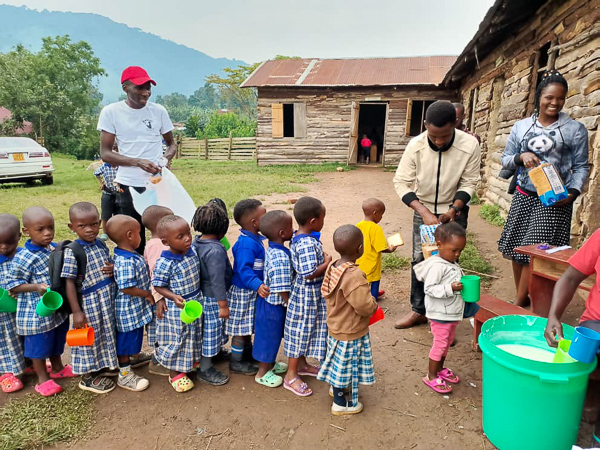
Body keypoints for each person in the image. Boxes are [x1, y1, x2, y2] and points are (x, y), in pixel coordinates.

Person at [497, 70, 589, 307]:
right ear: (539, 96)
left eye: (560, 98)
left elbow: (581, 167)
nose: (555, 103)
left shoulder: (574, 129)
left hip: (554, 200)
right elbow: (506, 159)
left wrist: (573, 193)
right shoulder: (521, 127)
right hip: (524, 193)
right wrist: (521, 156)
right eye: (549, 97)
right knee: (518, 247)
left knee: (535, 248)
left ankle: (518, 302)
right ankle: (524, 295)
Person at [393, 100, 481, 329]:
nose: (439, 141)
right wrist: (423, 212)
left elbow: (470, 181)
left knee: (450, 262)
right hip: (423, 211)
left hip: (455, 210)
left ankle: (444, 319)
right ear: (425, 126)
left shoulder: (470, 144)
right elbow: (401, 182)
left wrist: (454, 209)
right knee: (420, 260)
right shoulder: (416, 145)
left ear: (456, 124)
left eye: (445, 135)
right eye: (434, 136)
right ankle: (419, 311)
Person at [97, 66, 177, 254]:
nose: (146, 93)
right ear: (125, 88)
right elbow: (105, 153)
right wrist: (137, 162)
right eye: (140, 88)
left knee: (165, 235)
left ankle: (160, 273)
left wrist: (164, 159)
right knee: (133, 237)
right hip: (129, 185)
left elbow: (172, 145)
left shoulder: (158, 111)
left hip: (157, 183)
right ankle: (138, 275)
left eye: (148, 87)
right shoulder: (111, 112)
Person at [7, 207, 73, 396]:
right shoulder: (23, 257)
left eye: (51, 228)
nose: (47, 233)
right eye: (41, 229)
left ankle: (58, 366)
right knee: (38, 344)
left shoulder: (51, 249)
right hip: (35, 312)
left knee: (56, 337)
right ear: (26, 231)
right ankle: (42, 378)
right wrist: (36, 287)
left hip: (54, 308)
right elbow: (13, 286)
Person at [544, 228, 600, 444]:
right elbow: (569, 278)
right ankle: (570, 421)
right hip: (594, 325)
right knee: (573, 360)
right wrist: (553, 316)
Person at [318, 224, 378, 415]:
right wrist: (374, 304)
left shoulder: (333, 266)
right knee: (346, 363)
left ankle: (336, 388)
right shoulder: (354, 276)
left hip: (336, 325)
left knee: (338, 361)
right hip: (350, 330)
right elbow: (364, 305)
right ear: (360, 249)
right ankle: (340, 403)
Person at [61, 202, 119, 394]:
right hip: (88, 302)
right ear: (72, 227)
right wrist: (77, 311)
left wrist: (112, 268)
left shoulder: (101, 243)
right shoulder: (73, 251)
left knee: (106, 332)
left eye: (94, 224)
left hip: (106, 297)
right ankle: (87, 376)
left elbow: (106, 264)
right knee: (88, 338)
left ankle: (103, 365)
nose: (90, 229)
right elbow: (69, 282)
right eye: (82, 226)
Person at [283, 196, 331, 397]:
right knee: (300, 332)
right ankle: (291, 375)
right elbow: (308, 272)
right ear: (313, 221)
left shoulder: (303, 238)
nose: (323, 221)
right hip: (305, 297)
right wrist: (327, 263)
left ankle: (301, 365)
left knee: (308, 329)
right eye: (322, 218)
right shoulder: (306, 244)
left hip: (310, 296)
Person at [414, 222, 467, 394]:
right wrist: (450, 288)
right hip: (440, 314)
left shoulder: (449, 261)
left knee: (446, 343)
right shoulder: (437, 266)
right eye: (454, 250)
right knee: (440, 344)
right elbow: (429, 289)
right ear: (439, 245)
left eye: (460, 251)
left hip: (451, 313)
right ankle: (431, 375)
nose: (457, 254)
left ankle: (439, 370)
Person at [152, 215, 202, 393]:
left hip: (194, 301)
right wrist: (172, 296)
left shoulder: (192, 251)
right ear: (166, 242)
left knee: (193, 334)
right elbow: (158, 284)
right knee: (178, 337)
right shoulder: (165, 262)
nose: (187, 238)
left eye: (188, 233)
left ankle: (189, 362)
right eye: (180, 237)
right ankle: (174, 372)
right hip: (178, 307)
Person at [106, 215, 153, 392]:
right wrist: (147, 294)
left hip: (134, 308)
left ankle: (134, 356)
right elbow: (126, 287)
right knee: (126, 340)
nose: (141, 237)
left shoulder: (126, 255)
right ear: (130, 235)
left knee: (134, 337)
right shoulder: (125, 261)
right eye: (139, 233)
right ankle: (125, 374)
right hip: (128, 309)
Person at [226, 199, 269, 376]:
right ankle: (236, 361)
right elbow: (244, 270)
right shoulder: (246, 244)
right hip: (244, 291)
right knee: (240, 329)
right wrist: (257, 284)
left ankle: (246, 354)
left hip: (250, 291)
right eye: (265, 217)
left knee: (247, 325)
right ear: (254, 222)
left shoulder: (255, 239)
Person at [192, 202, 232, 386]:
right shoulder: (215, 250)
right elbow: (216, 280)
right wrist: (222, 305)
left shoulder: (197, 241)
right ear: (222, 229)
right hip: (213, 299)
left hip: (204, 295)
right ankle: (206, 368)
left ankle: (213, 353)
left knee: (209, 331)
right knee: (211, 332)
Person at [253, 210, 294, 388]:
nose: (294, 229)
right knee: (268, 338)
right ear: (282, 233)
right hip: (272, 306)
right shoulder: (279, 258)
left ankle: (269, 364)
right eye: (291, 227)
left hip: (272, 304)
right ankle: (262, 373)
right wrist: (291, 303)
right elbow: (282, 286)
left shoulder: (276, 249)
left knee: (274, 336)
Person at [141, 205, 173, 377]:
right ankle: (157, 361)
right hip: (162, 297)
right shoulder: (157, 245)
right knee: (162, 328)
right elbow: (155, 273)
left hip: (166, 294)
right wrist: (159, 298)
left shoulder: (158, 242)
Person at [0, 214, 26, 393]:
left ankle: (26, 363)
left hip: (21, 306)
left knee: (22, 335)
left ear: (19, 237)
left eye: (9, 242)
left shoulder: (23, 255)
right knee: (5, 339)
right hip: (2, 311)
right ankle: (6, 372)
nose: (3, 247)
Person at [356, 198, 398, 301]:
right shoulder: (376, 228)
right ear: (375, 213)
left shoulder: (359, 225)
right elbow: (381, 248)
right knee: (374, 281)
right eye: (381, 215)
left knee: (361, 282)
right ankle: (373, 299)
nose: (381, 217)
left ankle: (361, 297)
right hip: (372, 263)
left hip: (359, 262)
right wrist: (391, 249)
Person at [94, 145, 120, 241]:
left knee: (119, 214)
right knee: (106, 214)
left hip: (119, 193)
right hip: (107, 193)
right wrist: (101, 183)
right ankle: (105, 233)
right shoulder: (104, 167)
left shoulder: (120, 167)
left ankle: (117, 231)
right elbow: (96, 174)